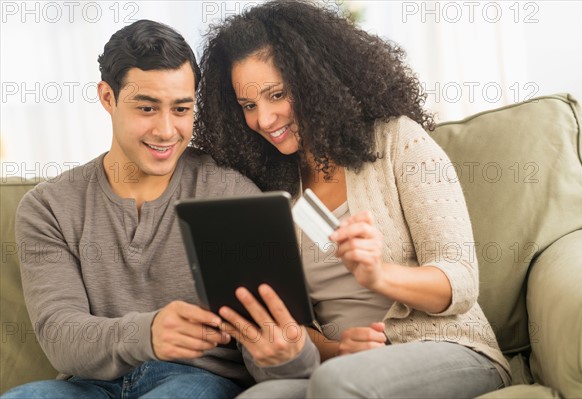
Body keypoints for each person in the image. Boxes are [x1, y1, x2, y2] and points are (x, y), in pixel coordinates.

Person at [193, 1, 512, 398]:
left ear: (316, 80)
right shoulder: (271, 188)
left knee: (339, 382)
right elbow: (295, 323)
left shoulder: (399, 141)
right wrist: (336, 349)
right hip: (341, 366)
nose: (265, 119)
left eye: (277, 94)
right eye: (248, 106)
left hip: (447, 348)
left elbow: (461, 280)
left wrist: (380, 274)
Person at [3, 19, 264, 399]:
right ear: (108, 97)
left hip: (195, 380)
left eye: (181, 109)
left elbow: (265, 332)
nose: (166, 130)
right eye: (146, 108)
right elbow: (60, 333)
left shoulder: (231, 194)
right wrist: (148, 333)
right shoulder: (49, 207)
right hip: (88, 385)